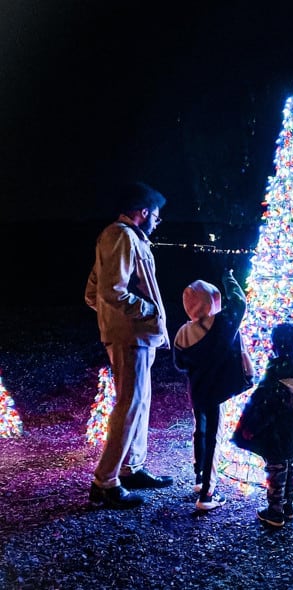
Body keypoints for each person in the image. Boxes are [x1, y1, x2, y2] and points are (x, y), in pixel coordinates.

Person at [85, 181, 173, 509]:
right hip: (131, 336)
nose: (158, 221)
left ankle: (131, 467)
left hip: (136, 335)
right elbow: (112, 291)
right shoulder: (119, 236)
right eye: (157, 215)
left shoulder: (124, 237)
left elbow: (92, 292)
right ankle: (104, 482)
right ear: (144, 212)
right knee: (129, 404)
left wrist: (113, 318)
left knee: (140, 402)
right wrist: (145, 312)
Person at [231, 322, 293, 527]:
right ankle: (288, 506)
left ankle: (275, 512)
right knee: (290, 464)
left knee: (276, 469)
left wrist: (249, 429)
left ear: (273, 346)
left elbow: (262, 406)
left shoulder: (274, 377)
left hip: (277, 433)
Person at [173, 268, 250, 511]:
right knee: (214, 438)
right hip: (218, 391)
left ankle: (199, 478)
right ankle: (206, 495)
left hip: (197, 390)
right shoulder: (223, 324)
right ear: (212, 301)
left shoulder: (183, 333)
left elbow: (180, 364)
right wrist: (228, 277)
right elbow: (239, 302)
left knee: (201, 431)